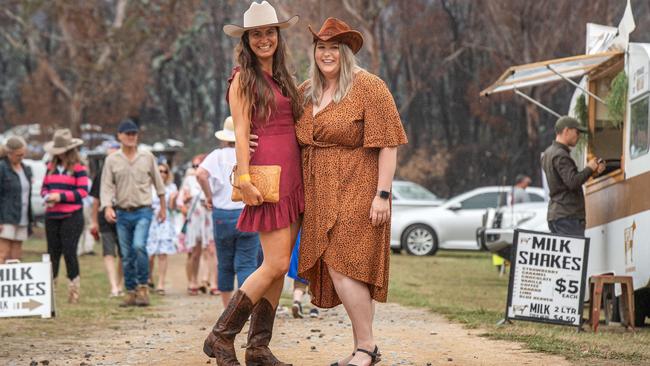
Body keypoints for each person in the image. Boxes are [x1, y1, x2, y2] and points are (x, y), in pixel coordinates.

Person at [295, 18, 408, 366]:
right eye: (321, 47)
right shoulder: (304, 92)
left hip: (358, 190)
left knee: (347, 267)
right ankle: (362, 346)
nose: (326, 54)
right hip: (319, 195)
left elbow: (388, 143)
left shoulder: (369, 87)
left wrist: (383, 194)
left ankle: (367, 347)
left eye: (334, 48)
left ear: (345, 53)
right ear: (314, 52)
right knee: (340, 269)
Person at [202, 2, 303, 365]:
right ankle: (221, 335)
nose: (264, 39)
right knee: (274, 265)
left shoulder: (282, 77)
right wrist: (243, 178)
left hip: (294, 179)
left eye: (269, 32)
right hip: (266, 179)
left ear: (278, 35)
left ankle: (258, 347)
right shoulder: (243, 78)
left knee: (279, 268)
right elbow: (241, 134)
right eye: (256, 34)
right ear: (246, 40)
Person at [100, 119, 166, 307]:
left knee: (139, 246)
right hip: (122, 212)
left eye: (134, 134)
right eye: (127, 134)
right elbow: (106, 186)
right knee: (126, 253)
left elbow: (158, 184)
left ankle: (143, 287)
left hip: (143, 210)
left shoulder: (147, 157)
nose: (131, 137)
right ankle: (130, 291)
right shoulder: (112, 160)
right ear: (119, 136)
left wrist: (162, 207)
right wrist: (107, 207)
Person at [197, 116, 261, 309]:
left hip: (222, 215)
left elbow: (200, 174)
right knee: (247, 264)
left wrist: (209, 196)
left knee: (224, 262)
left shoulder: (216, 155)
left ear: (224, 137)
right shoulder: (250, 152)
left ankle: (227, 309)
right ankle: (243, 309)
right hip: (246, 212)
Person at [41, 129, 89, 304]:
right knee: (52, 252)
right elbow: (44, 188)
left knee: (69, 252)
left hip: (72, 215)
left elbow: (83, 191)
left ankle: (73, 290)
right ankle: (50, 290)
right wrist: (47, 196)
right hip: (52, 215)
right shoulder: (50, 168)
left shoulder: (79, 168)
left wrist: (60, 197)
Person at [541, 116, 605, 236]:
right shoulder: (561, 155)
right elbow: (573, 182)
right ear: (566, 131)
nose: (579, 136)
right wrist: (590, 168)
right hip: (568, 215)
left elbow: (562, 182)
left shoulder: (548, 153)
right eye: (577, 132)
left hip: (555, 214)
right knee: (575, 252)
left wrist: (591, 172)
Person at [178, 155, 218, 296]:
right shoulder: (188, 181)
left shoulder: (212, 179)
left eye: (199, 166)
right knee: (195, 252)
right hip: (194, 218)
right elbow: (180, 202)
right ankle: (192, 282)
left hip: (209, 218)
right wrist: (185, 201)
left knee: (212, 250)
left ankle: (214, 283)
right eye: (194, 166)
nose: (197, 169)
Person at [89, 142, 123, 297]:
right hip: (105, 216)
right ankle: (113, 285)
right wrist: (94, 221)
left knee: (124, 252)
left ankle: (120, 283)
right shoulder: (101, 174)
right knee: (108, 251)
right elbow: (95, 200)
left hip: (124, 214)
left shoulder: (125, 171)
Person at [146, 162, 178, 295]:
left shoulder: (172, 187)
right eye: (159, 171)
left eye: (165, 171)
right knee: (150, 255)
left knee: (163, 254)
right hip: (150, 222)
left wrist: (172, 200)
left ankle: (161, 283)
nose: (162, 174)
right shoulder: (148, 187)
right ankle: (148, 278)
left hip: (165, 223)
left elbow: (173, 208)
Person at [0, 137, 33, 264]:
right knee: (3, 252)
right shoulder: (2, 168)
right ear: (9, 153)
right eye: (18, 155)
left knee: (16, 255)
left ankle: (13, 283)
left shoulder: (25, 169)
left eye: (23, 154)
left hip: (22, 216)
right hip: (6, 217)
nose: (21, 157)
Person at [288, 231, 318, 319]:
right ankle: (314, 310)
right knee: (314, 286)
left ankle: (296, 302)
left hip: (299, 258)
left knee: (299, 286)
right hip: (314, 260)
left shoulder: (299, 226)